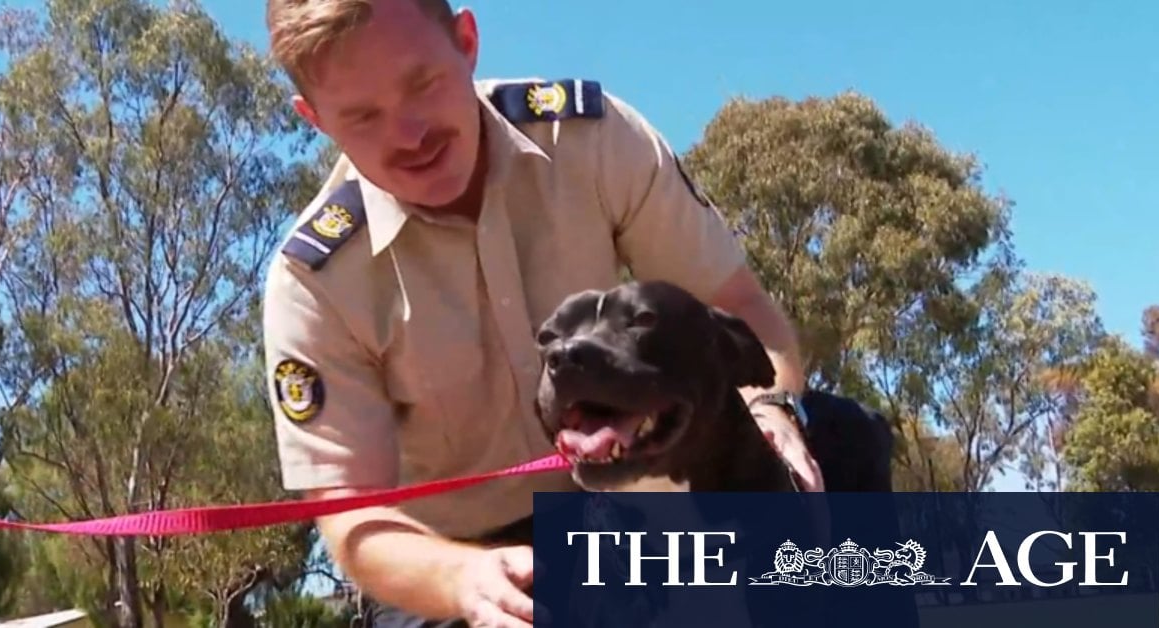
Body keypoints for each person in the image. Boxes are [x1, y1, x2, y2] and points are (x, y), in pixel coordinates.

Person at [261, 1, 824, 626]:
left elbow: (737, 307)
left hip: (635, 507)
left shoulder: (593, 138)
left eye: (422, 83)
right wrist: (461, 578)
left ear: (466, 42)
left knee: (843, 446)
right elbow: (351, 514)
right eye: (363, 116)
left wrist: (773, 408)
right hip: (461, 561)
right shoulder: (314, 281)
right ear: (315, 120)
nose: (411, 133)